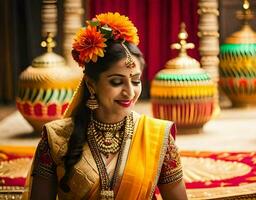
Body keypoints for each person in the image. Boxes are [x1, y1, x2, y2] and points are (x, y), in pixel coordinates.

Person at [23, 12, 187, 200]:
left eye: (135, 81)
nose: (130, 92)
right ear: (92, 84)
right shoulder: (56, 138)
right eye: (117, 82)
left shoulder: (157, 137)